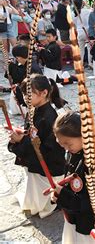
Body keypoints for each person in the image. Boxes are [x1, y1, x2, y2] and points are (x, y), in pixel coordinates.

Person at [8, 74, 66, 218]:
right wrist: (21, 135)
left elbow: (49, 150)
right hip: (36, 161)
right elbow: (31, 134)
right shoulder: (34, 110)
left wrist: (22, 141)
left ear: (44, 93)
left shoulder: (50, 117)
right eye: (24, 94)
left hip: (48, 166)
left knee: (40, 203)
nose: (26, 98)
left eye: (29, 94)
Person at [51, 111, 95, 244]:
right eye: (61, 144)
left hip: (86, 220)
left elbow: (89, 202)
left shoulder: (92, 164)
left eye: (68, 144)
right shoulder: (74, 151)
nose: (65, 148)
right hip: (74, 212)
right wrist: (60, 193)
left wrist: (62, 196)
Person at [7, 45, 42, 115]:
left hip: (34, 92)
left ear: (18, 57)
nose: (16, 59)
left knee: (16, 90)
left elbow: (21, 80)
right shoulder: (29, 63)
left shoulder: (31, 67)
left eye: (16, 58)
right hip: (33, 89)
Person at [73, 0, 92, 66]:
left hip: (79, 32)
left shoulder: (74, 13)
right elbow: (91, 10)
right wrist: (86, 5)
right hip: (86, 31)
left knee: (81, 49)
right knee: (89, 48)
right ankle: (90, 63)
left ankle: (80, 63)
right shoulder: (86, 11)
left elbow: (74, 24)